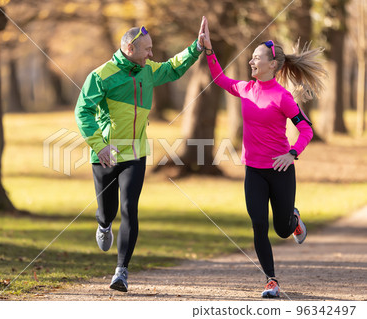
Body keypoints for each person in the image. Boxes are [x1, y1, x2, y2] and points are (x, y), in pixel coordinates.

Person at [199, 17, 327, 298]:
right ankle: (271, 280)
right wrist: (209, 50)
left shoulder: (283, 97)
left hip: (280, 171)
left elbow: (306, 129)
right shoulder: (245, 89)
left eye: (256, 58)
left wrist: (291, 153)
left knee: (281, 230)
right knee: (258, 223)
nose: (251, 62)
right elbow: (220, 78)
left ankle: (293, 219)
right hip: (253, 171)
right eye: (251, 58)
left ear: (273, 65)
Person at [75, 19, 206, 292]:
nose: (151, 54)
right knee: (107, 211)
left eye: (152, 49)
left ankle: (121, 271)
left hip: (135, 154)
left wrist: (196, 47)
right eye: (146, 49)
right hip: (105, 156)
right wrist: (100, 146)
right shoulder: (101, 75)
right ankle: (103, 224)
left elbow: (172, 68)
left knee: (129, 208)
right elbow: (83, 112)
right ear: (129, 47)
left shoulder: (148, 71)